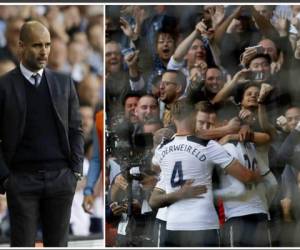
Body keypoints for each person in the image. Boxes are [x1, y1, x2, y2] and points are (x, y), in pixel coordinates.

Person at [0, 20, 84, 247]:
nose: (44, 51)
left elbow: (76, 129)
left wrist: (75, 171)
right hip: (21, 180)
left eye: (47, 45)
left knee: (58, 244)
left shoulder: (64, 82)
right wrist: (6, 177)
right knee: (23, 244)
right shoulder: (4, 86)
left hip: (61, 179)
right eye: (37, 45)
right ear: (21, 46)